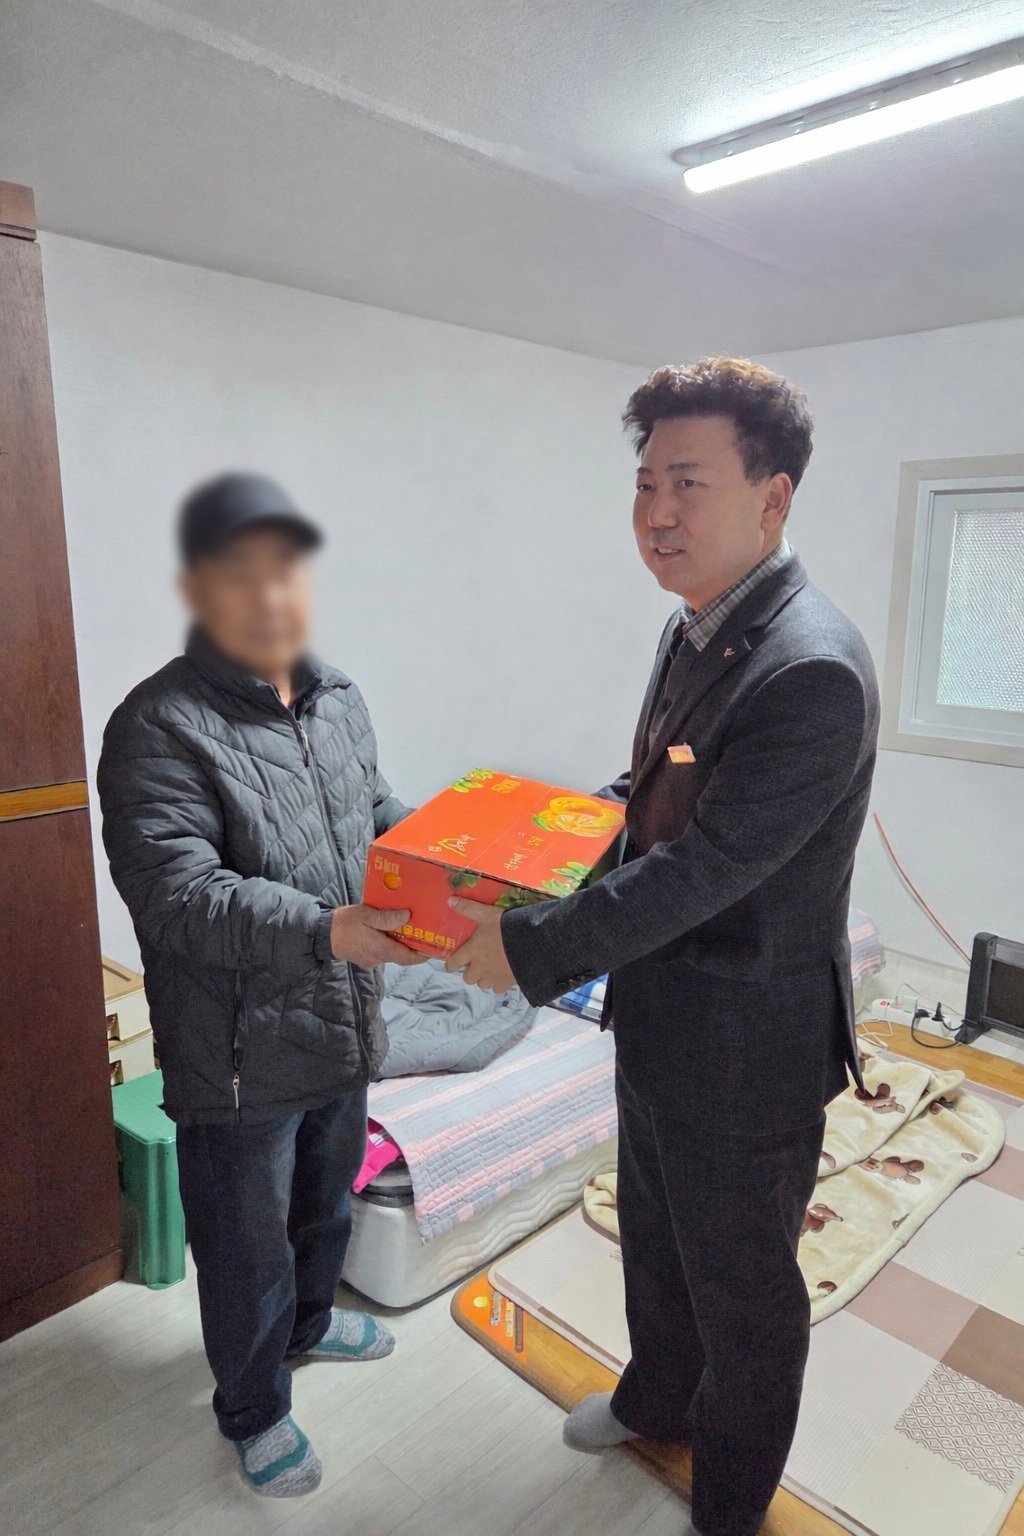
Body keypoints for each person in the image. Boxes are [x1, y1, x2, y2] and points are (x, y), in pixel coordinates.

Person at [445, 358, 880, 1536]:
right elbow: (653, 795)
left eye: (688, 482)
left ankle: (729, 1503)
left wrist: (523, 947)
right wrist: (530, 841)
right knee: (654, 1231)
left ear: (772, 499)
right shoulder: (696, 627)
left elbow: (702, 868)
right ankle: (654, 1400)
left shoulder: (810, 669)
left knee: (743, 1289)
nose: (656, 513)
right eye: (645, 483)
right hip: (661, 1010)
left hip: (748, 1042)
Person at [99, 473, 421, 1498]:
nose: (272, 595)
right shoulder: (157, 725)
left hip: (339, 1020)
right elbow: (178, 897)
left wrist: (451, 859)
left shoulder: (339, 699)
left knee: (325, 1206)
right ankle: (251, 1406)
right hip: (235, 1055)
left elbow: (376, 815)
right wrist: (330, 929)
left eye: (287, 570)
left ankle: (312, 1327)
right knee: (246, 1249)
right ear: (197, 587)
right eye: (242, 574)